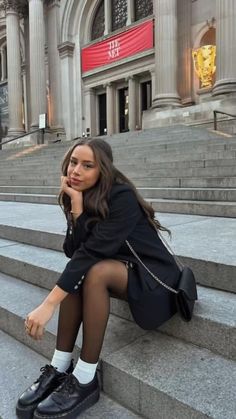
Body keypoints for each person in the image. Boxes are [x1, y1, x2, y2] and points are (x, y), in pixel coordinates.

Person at [16, 138, 181, 419]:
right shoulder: (83, 194)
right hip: (120, 267)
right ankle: (59, 366)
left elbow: (89, 254)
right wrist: (76, 209)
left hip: (154, 277)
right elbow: (74, 251)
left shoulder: (122, 197)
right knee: (84, 270)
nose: (76, 171)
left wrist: (49, 304)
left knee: (93, 270)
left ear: (102, 170)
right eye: (73, 162)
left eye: (87, 165)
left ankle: (85, 377)